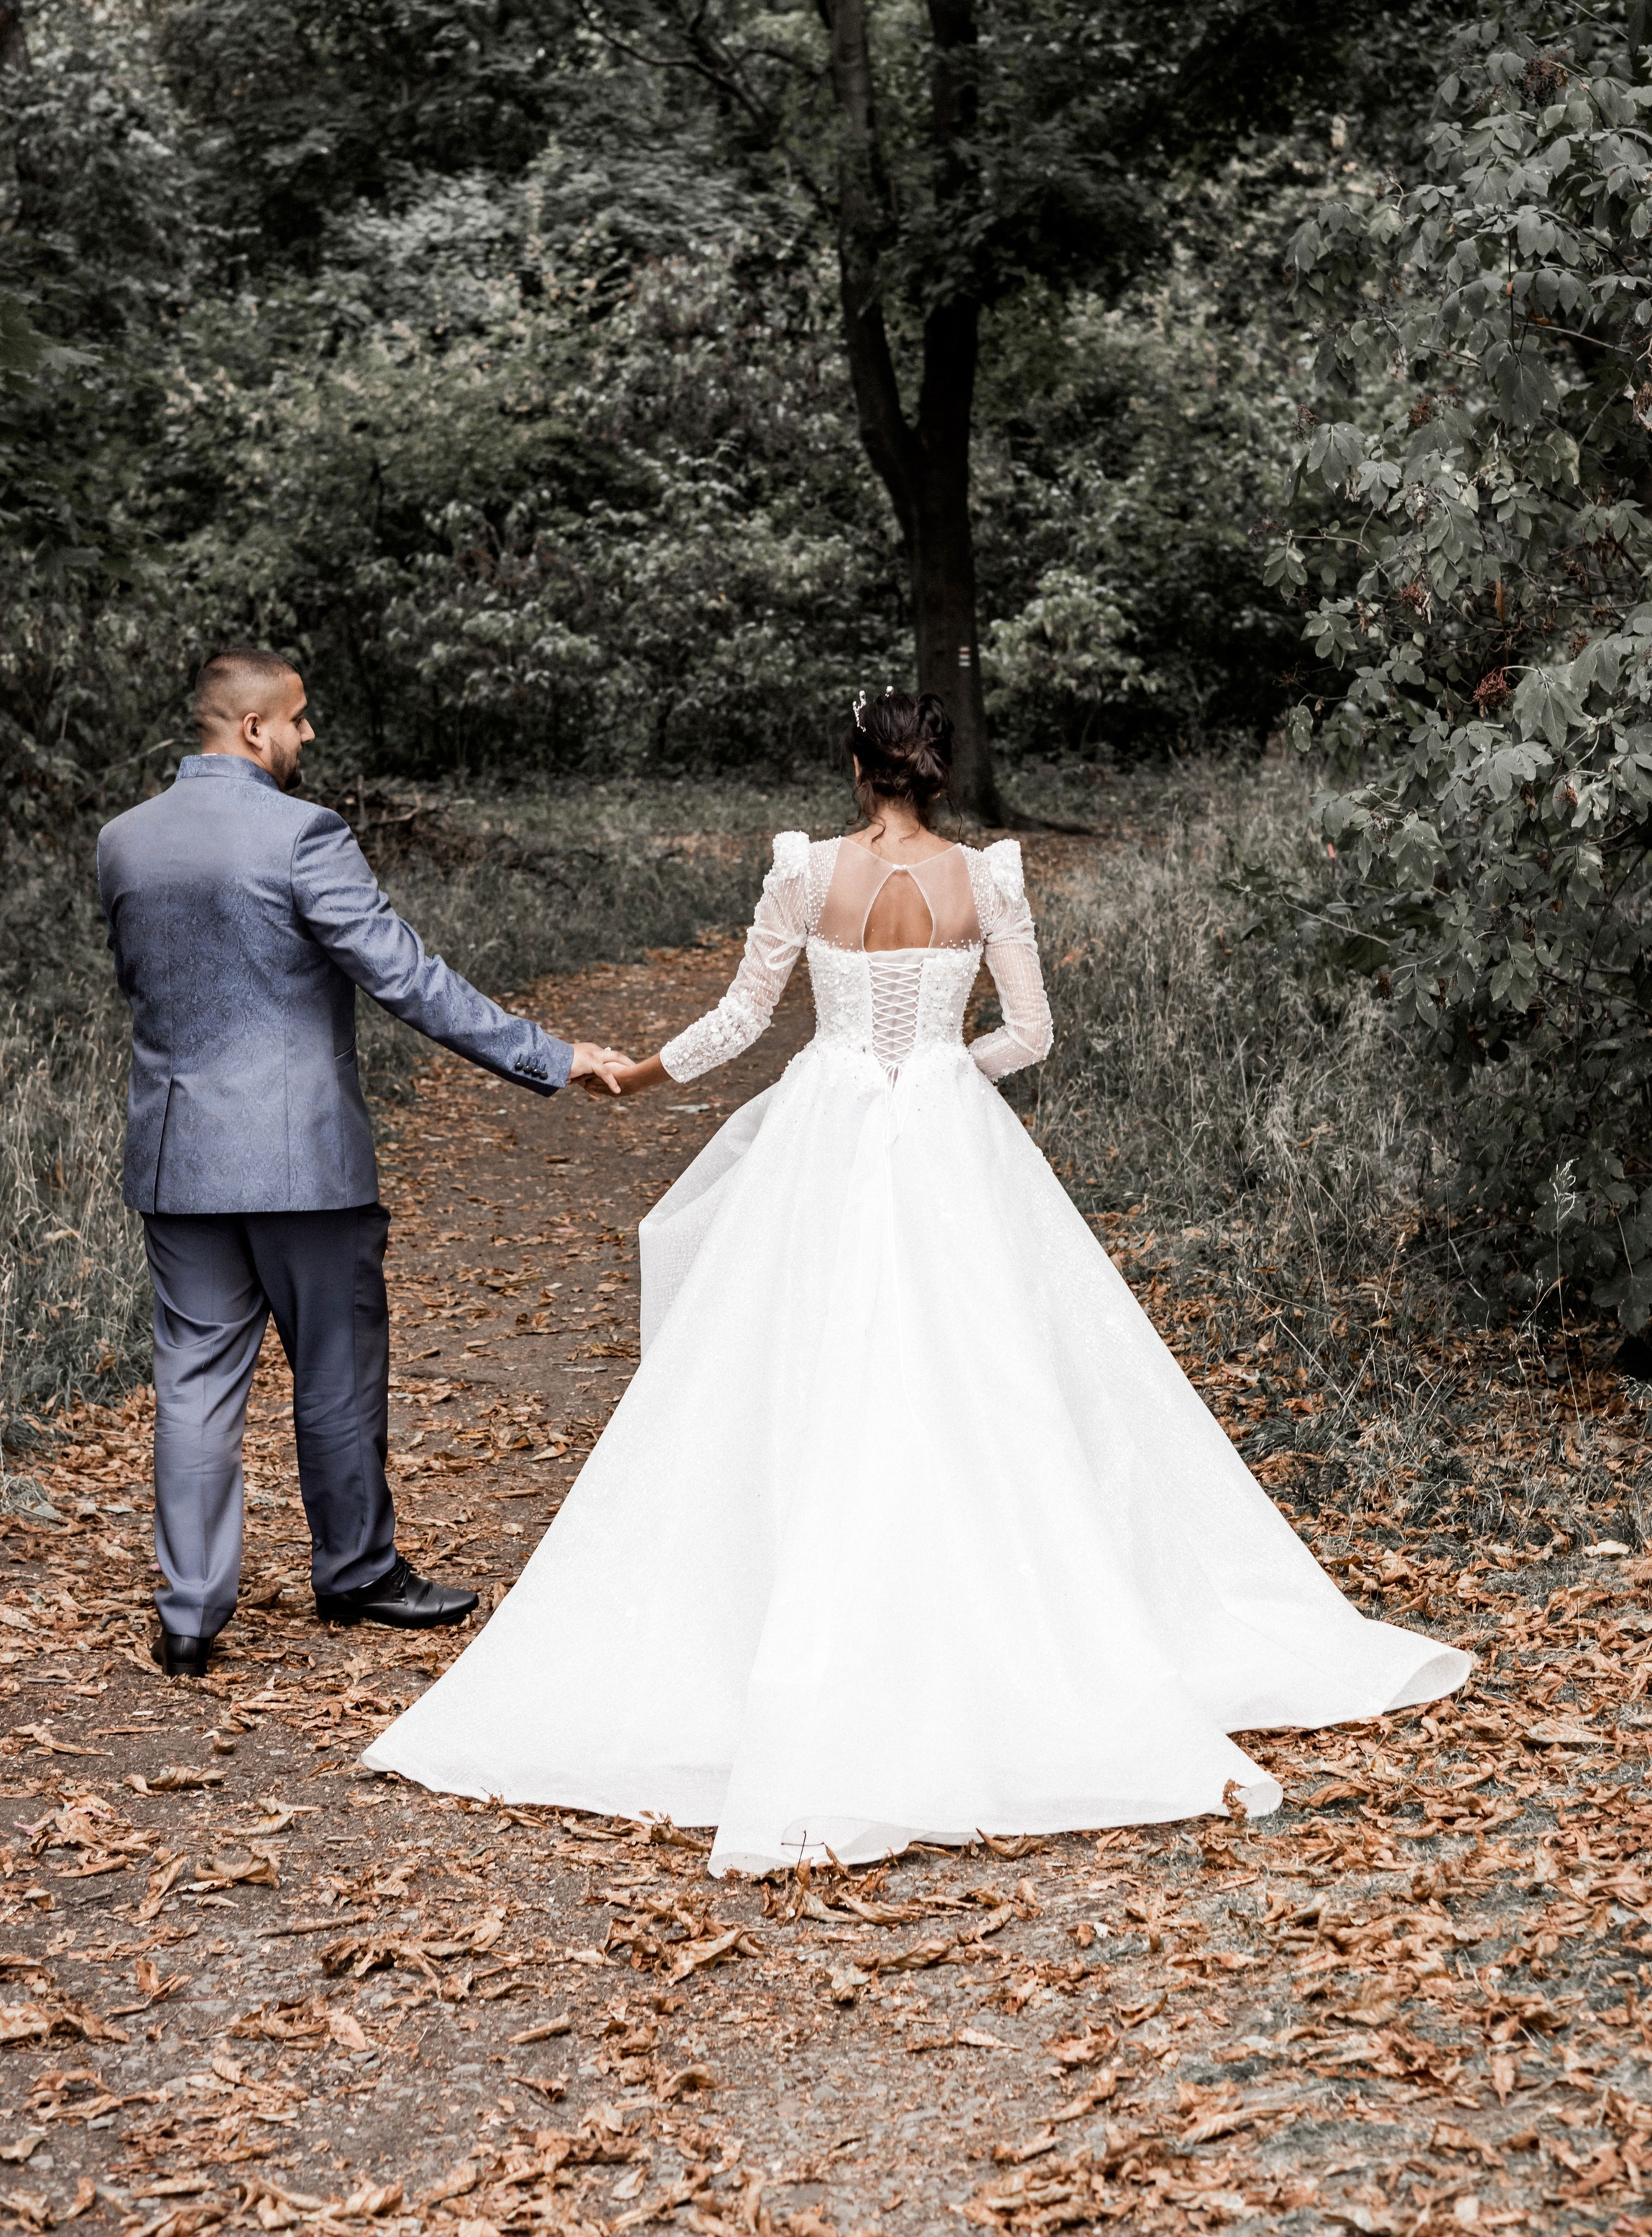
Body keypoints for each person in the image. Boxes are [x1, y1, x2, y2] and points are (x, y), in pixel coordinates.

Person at [365, 688, 1467, 1874]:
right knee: (985, 1367)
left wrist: (637, 1075)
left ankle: (794, 1609)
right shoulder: (989, 878)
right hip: (945, 1129)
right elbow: (1032, 1033)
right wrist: (948, 1071)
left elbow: (744, 1018)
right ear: (932, 774)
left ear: (856, 769)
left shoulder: (803, 870)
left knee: (801, 1363)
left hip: (825, 1124)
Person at [97, 648, 627, 1679]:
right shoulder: (302, 835)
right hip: (304, 1162)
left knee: (193, 1382)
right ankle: (356, 1571)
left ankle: (191, 1616)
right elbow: (407, 976)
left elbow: (141, 984)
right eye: (298, 719)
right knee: (335, 1368)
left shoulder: (124, 841)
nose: (308, 737)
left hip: (178, 1152)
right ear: (253, 729)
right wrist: (550, 1055)